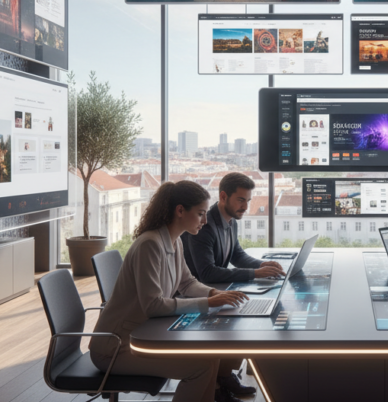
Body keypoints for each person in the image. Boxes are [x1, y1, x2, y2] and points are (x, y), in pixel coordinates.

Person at [89, 180, 249, 402]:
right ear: (180, 211)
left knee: (211, 358)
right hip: (116, 347)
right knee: (200, 368)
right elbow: (153, 305)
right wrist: (207, 303)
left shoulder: (175, 242)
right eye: (201, 213)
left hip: (143, 334)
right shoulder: (149, 245)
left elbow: (187, 283)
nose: (205, 220)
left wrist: (212, 294)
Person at [182, 172, 286, 397]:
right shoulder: (205, 224)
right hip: (193, 294)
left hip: (216, 290)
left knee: (245, 310)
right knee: (241, 320)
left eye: (248, 201)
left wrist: (263, 266)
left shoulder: (230, 221)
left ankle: (224, 375)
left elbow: (237, 255)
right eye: (241, 200)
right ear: (223, 196)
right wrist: (255, 273)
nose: (245, 207)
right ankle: (218, 384)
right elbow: (206, 272)